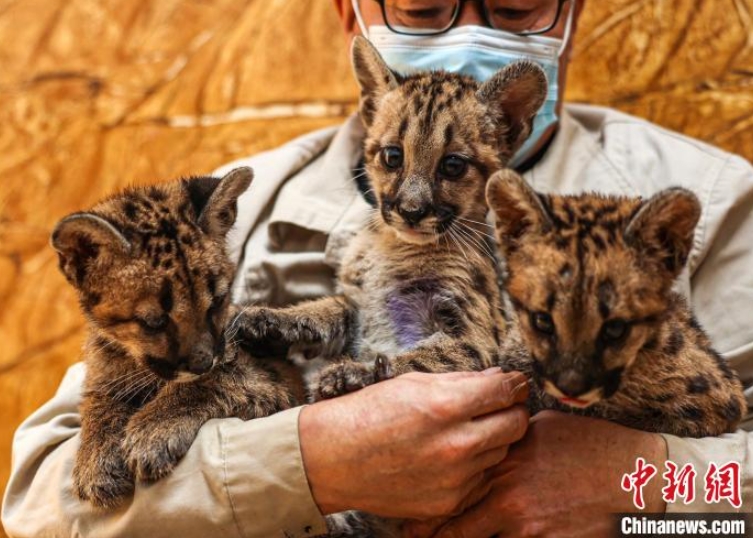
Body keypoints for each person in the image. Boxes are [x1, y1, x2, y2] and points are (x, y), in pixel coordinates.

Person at [3, 0, 752, 536]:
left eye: (517, 8)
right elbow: (45, 506)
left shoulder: (701, 200)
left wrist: (633, 493)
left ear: (573, 14)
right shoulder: (227, 212)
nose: (468, 36)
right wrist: (306, 466)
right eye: (423, 12)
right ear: (347, 16)